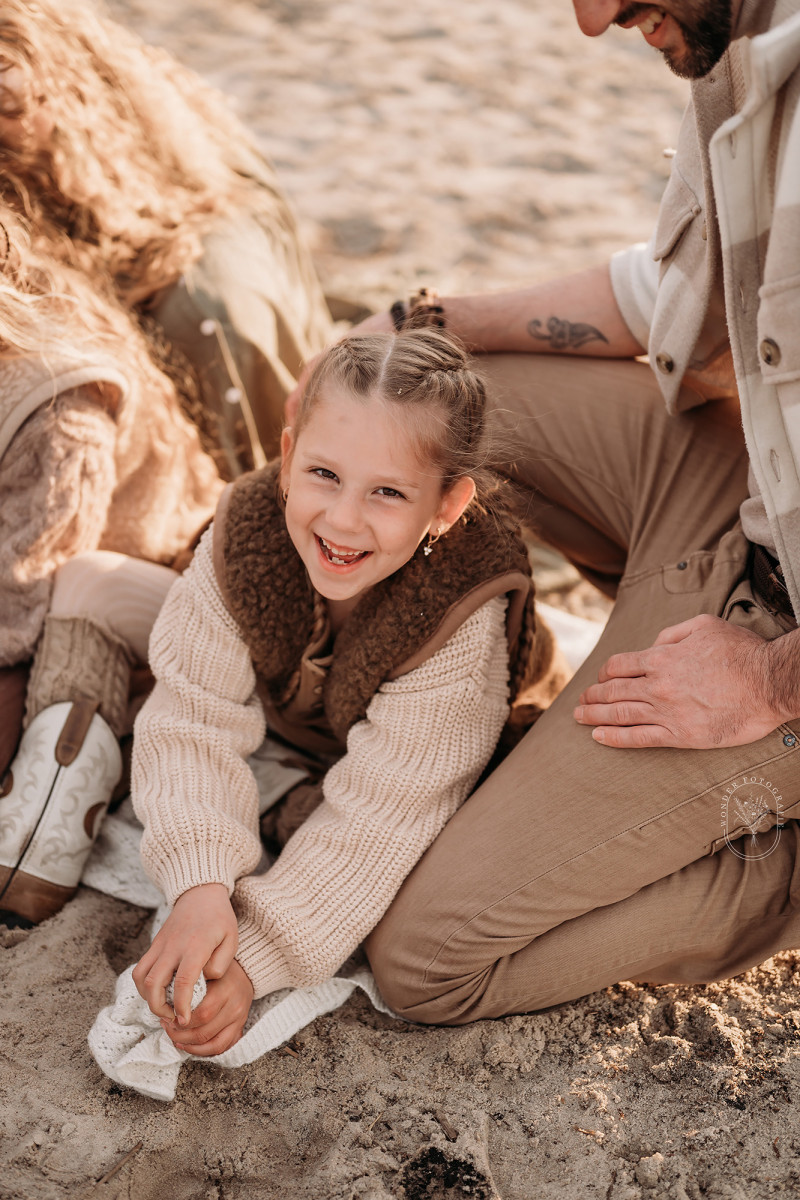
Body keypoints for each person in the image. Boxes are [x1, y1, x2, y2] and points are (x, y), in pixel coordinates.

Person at [358, 0, 800, 1022]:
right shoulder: (742, 40)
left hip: (783, 658)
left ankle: (774, 863)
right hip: (750, 512)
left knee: (426, 966)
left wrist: (768, 683)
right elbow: (683, 297)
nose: (591, 19)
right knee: (425, 396)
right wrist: (418, 324)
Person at [127, 328, 564, 1056]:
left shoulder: (459, 614)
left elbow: (383, 817)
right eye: (324, 474)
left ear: (448, 506)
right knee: (99, 595)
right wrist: (200, 886)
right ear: (289, 452)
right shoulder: (248, 531)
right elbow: (191, 715)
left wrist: (251, 959)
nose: (343, 520)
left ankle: (288, 795)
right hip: (298, 711)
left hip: (419, 741)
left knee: (418, 841)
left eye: (388, 492)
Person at [0, 0, 334, 919]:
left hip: (176, 579)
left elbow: (21, 612)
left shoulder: (70, 398)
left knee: (110, 620)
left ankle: (261, 790)